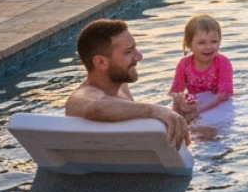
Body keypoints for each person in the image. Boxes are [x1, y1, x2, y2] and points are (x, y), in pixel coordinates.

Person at [64, 18, 192, 148]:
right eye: (128, 52)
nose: (139, 56)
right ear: (101, 62)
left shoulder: (121, 86)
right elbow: (95, 108)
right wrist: (153, 110)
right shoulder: (81, 96)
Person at [170, 14, 234, 115]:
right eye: (202, 43)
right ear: (189, 44)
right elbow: (176, 91)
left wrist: (199, 111)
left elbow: (223, 95)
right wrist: (179, 105)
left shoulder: (223, 63)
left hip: (219, 104)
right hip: (196, 102)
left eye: (214, 41)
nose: (209, 47)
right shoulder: (184, 64)